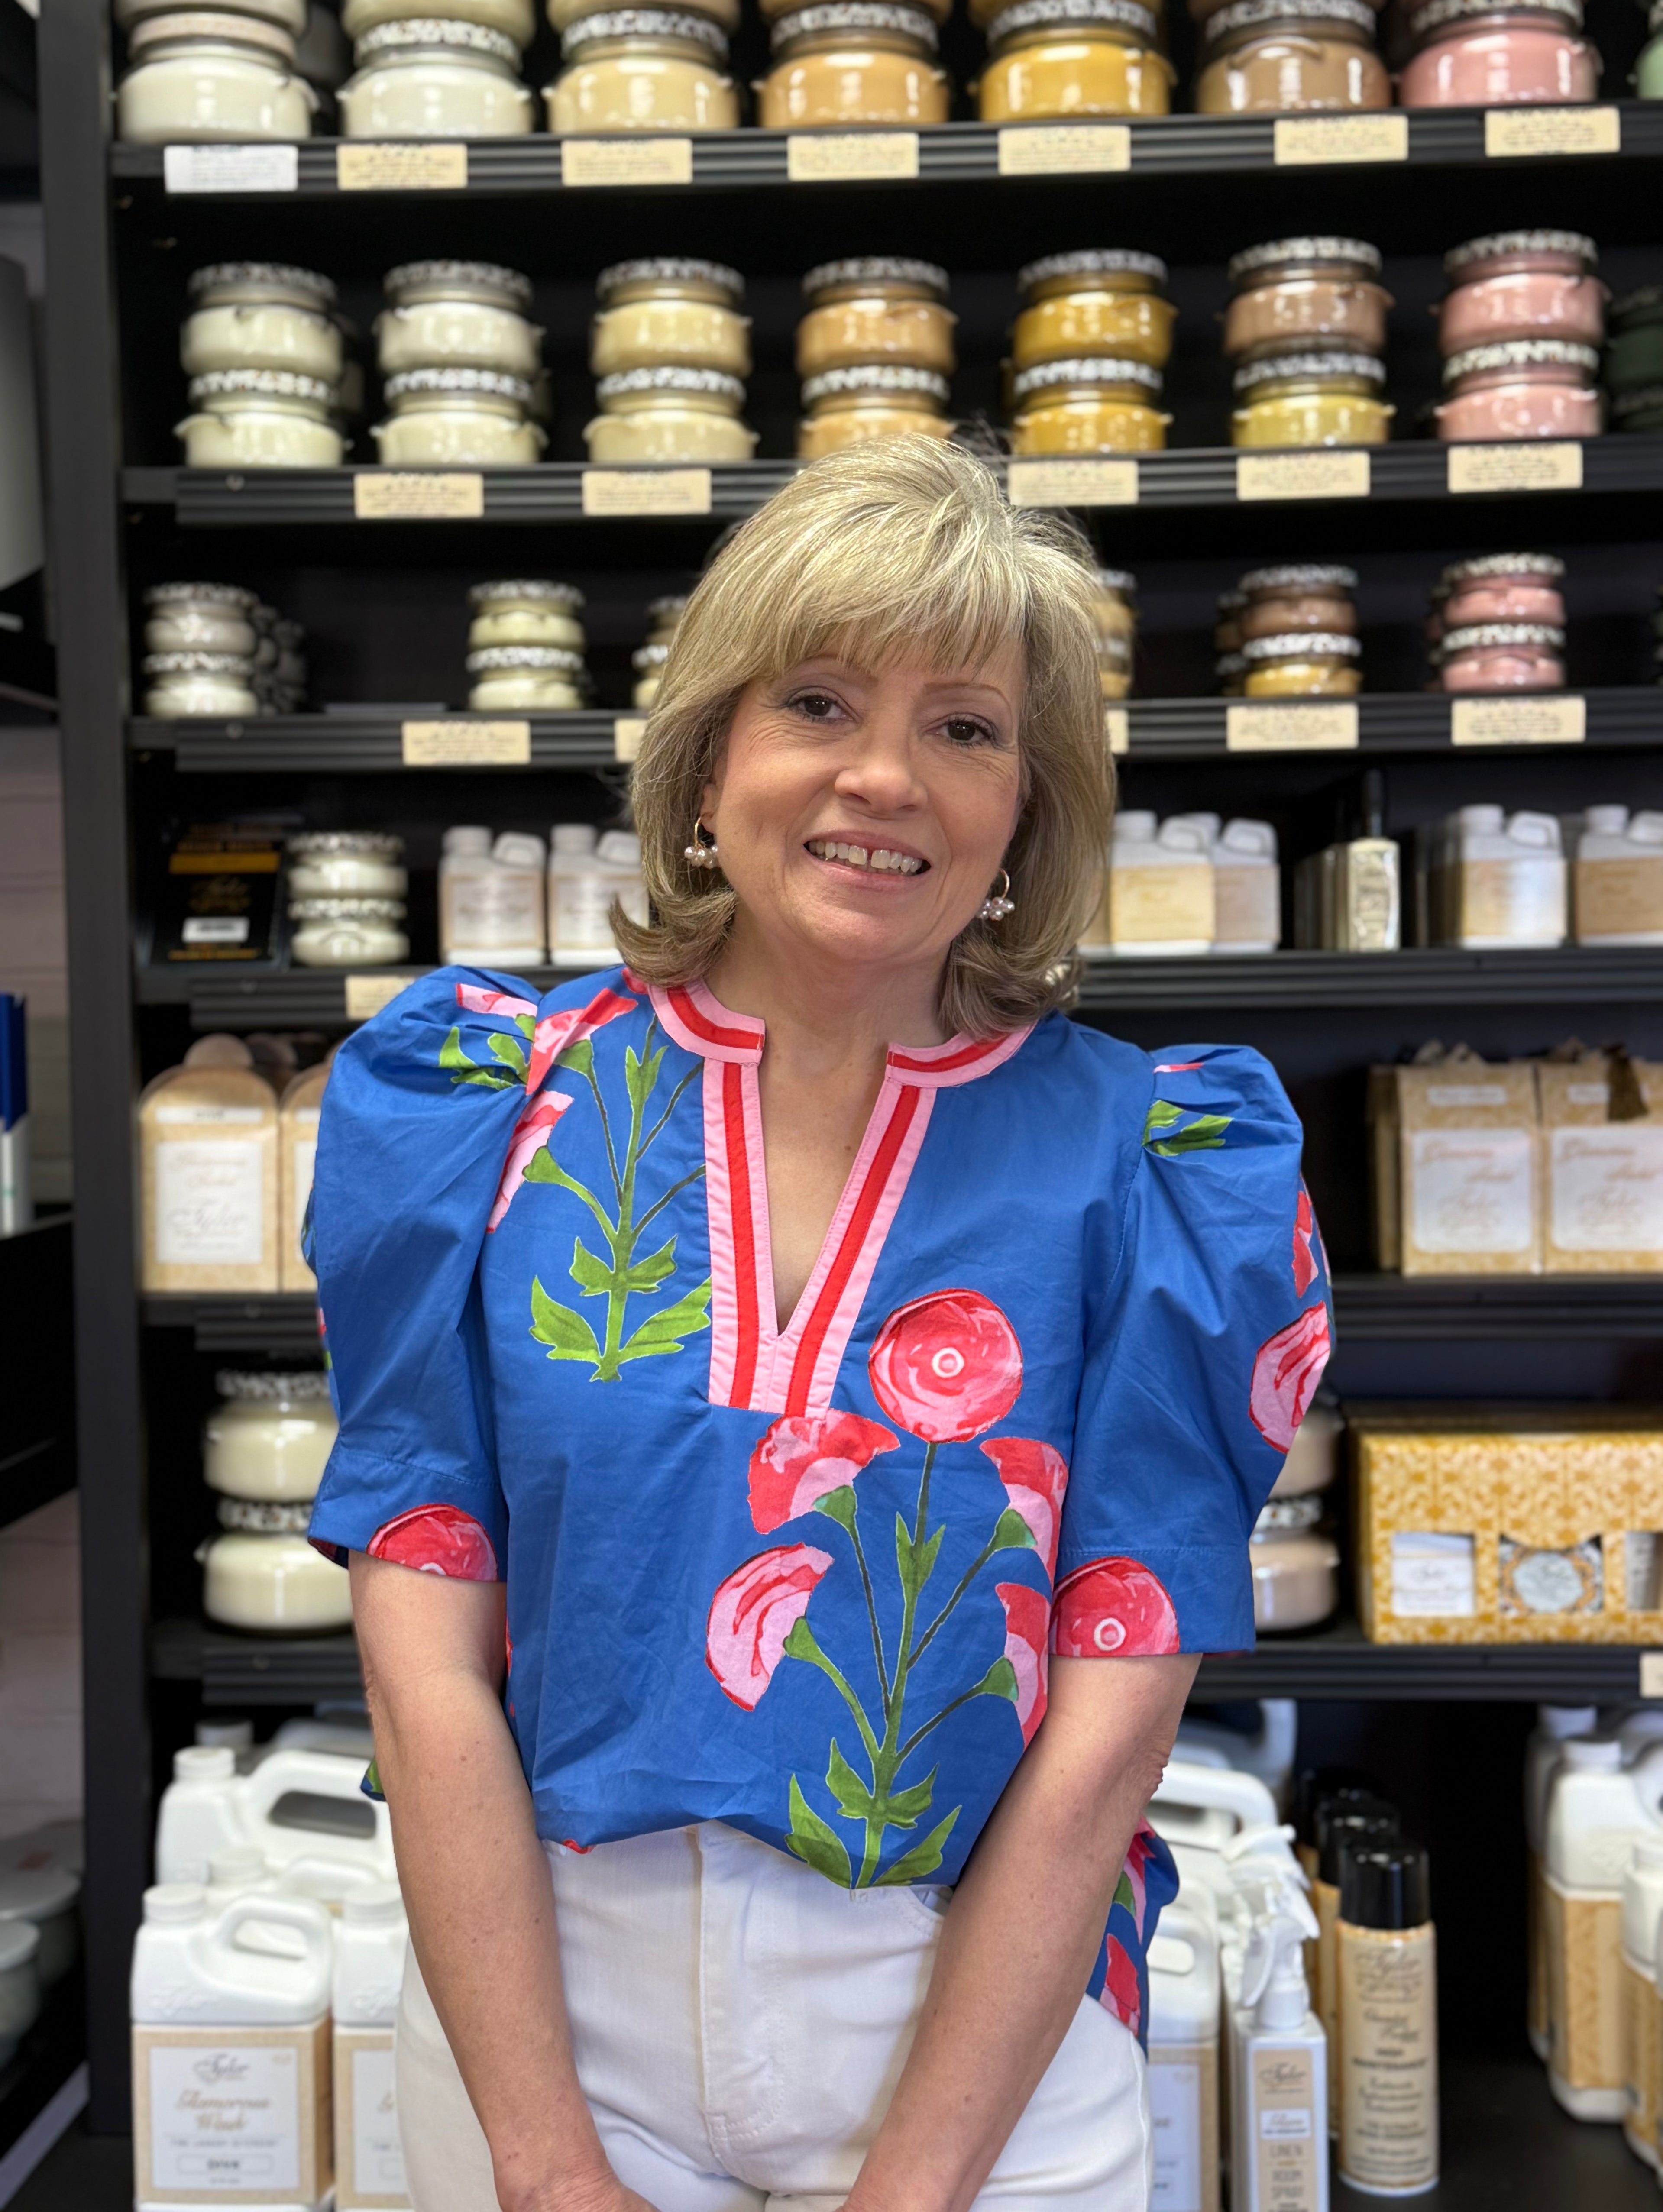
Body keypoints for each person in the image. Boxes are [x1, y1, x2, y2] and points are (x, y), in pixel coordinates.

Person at [306, 436, 1332, 2212]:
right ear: (711, 763)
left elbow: (1109, 1726)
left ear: (1028, 808)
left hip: (975, 2030)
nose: (885, 775)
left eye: (966, 725)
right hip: (547, 2012)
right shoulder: (479, 1103)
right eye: (818, 700)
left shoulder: (1155, 1165)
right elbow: (420, 1648)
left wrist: (914, 2185)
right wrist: (548, 2170)